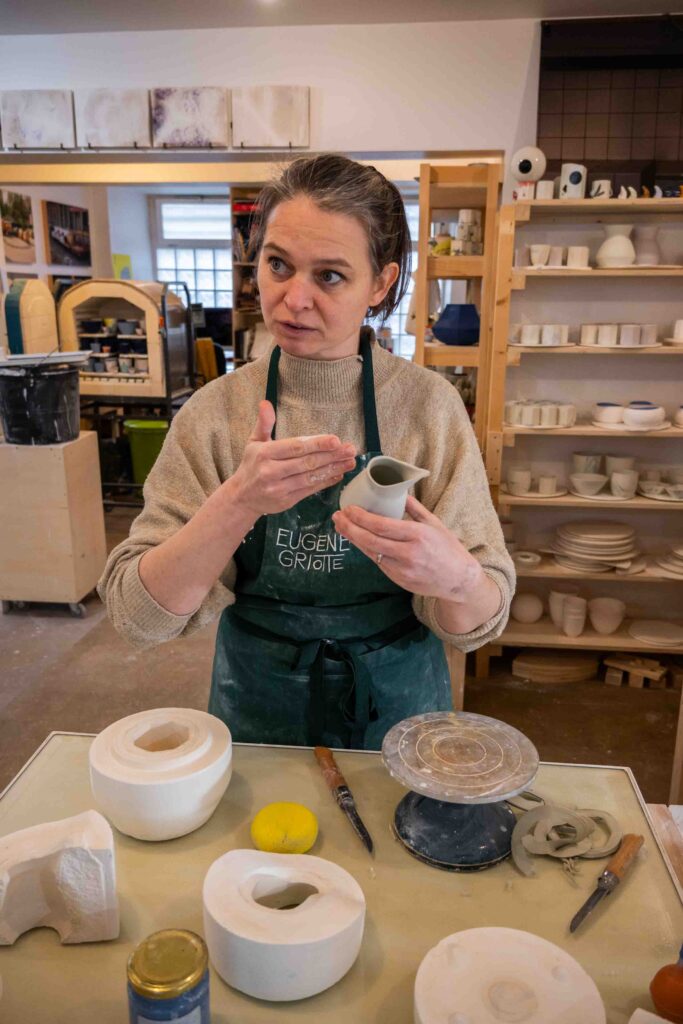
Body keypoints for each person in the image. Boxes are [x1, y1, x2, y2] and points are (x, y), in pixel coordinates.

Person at [100, 154, 514, 750]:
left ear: (380, 283)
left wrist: (457, 578)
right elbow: (138, 618)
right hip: (259, 707)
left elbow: (477, 625)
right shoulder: (215, 414)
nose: (294, 300)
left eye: (329, 276)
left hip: (399, 711)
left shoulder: (429, 408)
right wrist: (237, 503)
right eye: (278, 265)